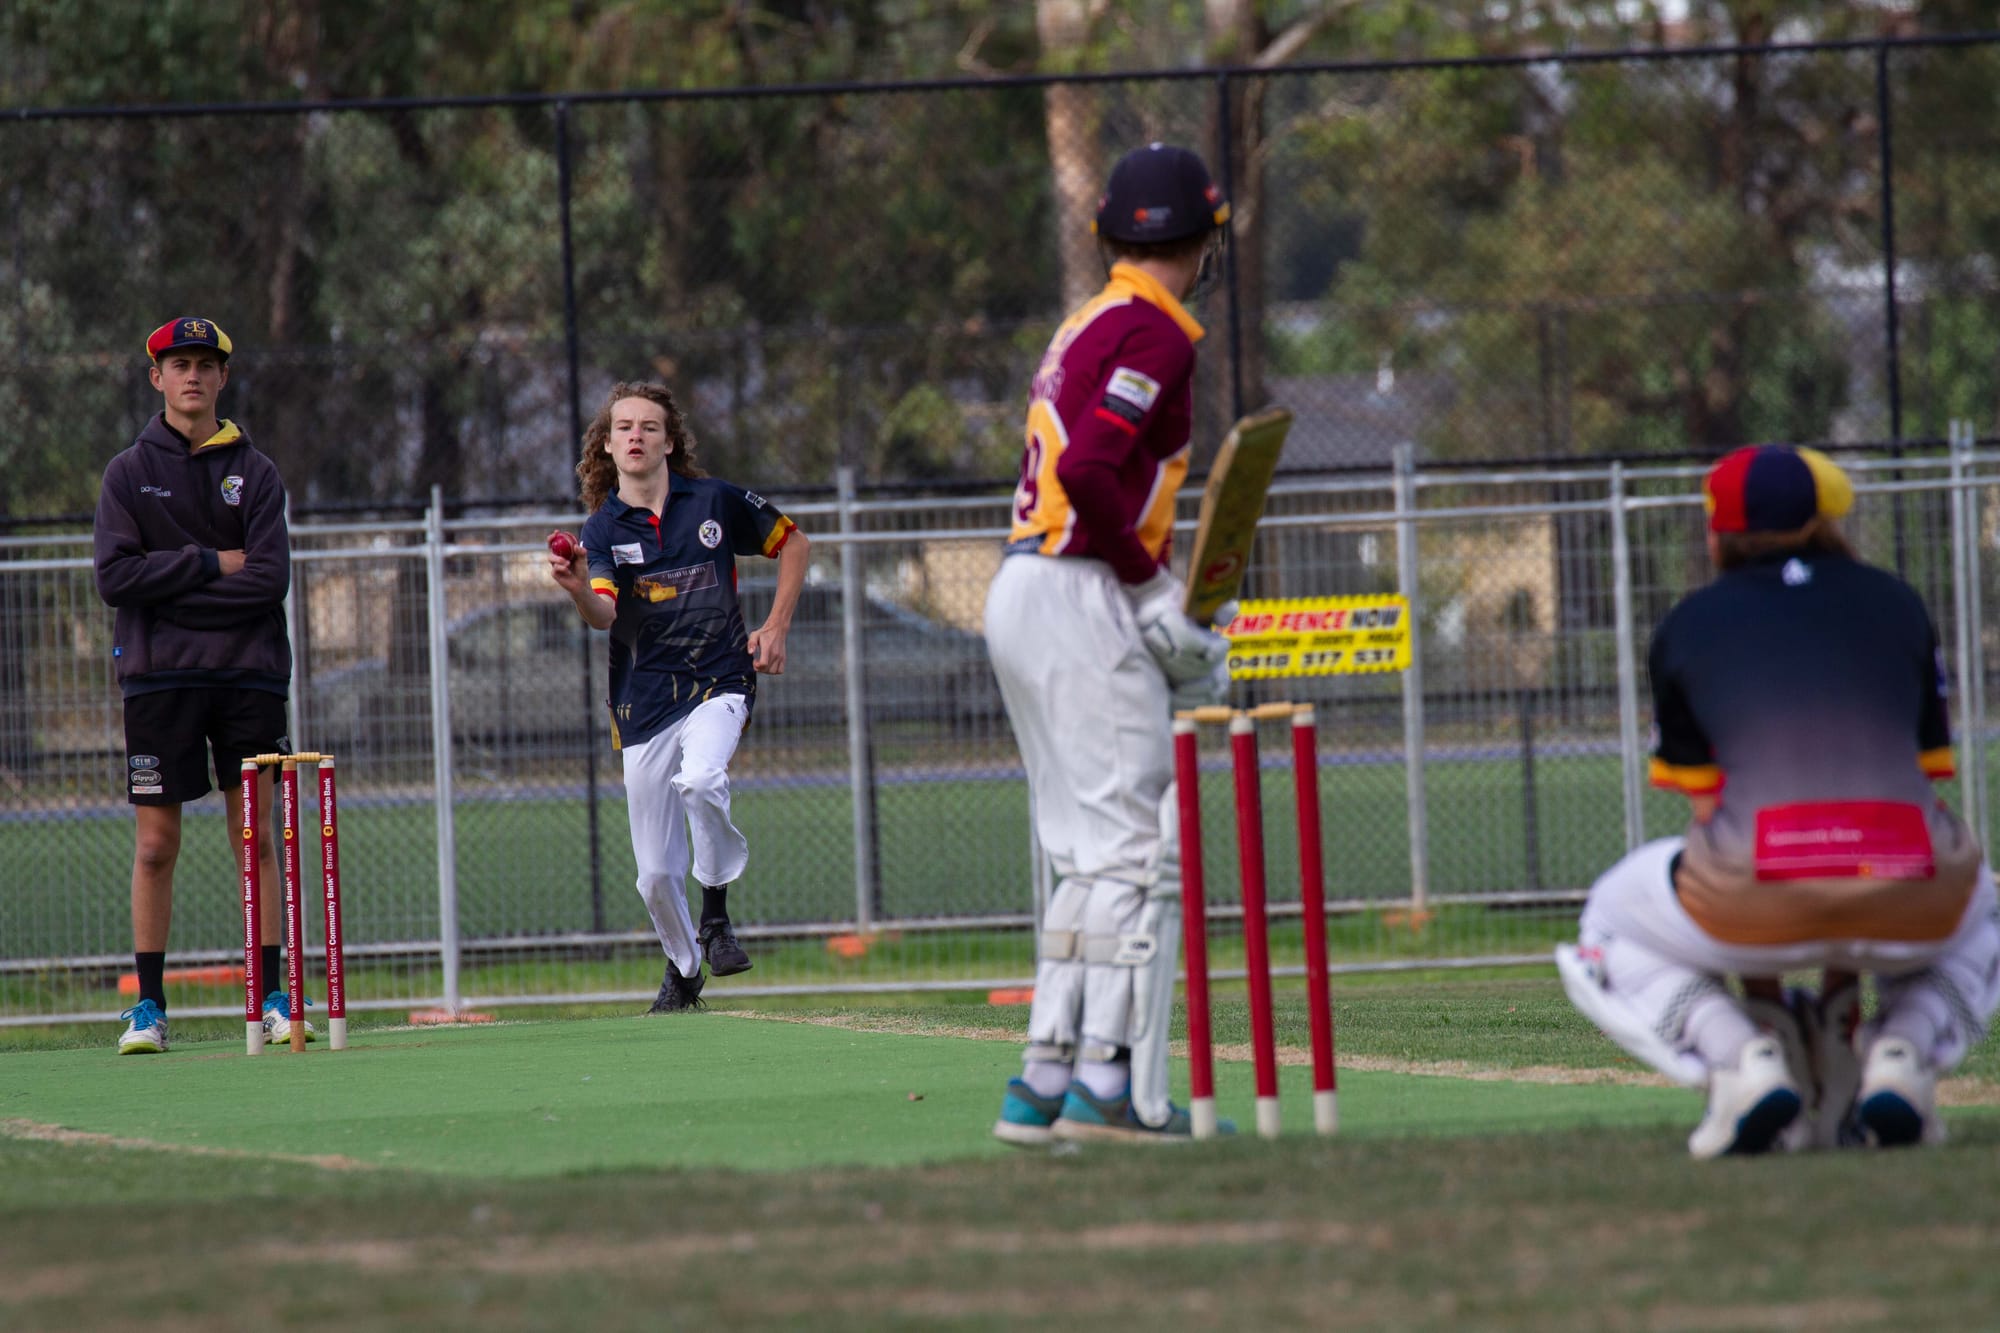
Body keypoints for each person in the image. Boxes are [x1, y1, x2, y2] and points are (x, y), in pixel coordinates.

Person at [1558, 444, 2000, 1156]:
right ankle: (1902, 1051)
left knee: (1605, 925)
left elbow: (1709, 809)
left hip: (1752, 901)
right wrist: (1840, 990)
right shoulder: (1898, 604)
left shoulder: (1689, 623)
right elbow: (1916, 779)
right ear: (1825, 520)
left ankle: (1743, 1055)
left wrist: (1765, 1000)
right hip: (1908, 888)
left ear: (1718, 534)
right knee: (1987, 902)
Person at [986, 143, 1234, 1145]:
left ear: (1107, 234)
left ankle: (1045, 1078)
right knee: (1134, 852)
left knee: (1085, 858)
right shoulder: (1156, 330)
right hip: (1078, 585)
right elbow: (1090, 469)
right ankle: (1109, 1087)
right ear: (1204, 237)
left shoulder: (1089, 319)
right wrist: (1151, 589)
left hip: (1026, 582)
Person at [549, 381, 808, 1013]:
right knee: (655, 876)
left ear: (669, 442)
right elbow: (604, 615)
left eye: (650, 426)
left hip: (721, 680)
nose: (636, 435)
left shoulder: (714, 500)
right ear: (607, 446)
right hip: (644, 702)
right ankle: (686, 968)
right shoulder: (602, 528)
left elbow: (794, 543)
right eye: (624, 427)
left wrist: (775, 627)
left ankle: (716, 917)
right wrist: (578, 588)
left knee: (702, 780)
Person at [93, 317, 300, 1054]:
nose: (193, 376)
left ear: (222, 378)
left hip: (248, 675)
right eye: (179, 364)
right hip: (160, 679)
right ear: (157, 378)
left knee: (257, 839)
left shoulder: (257, 471)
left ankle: (272, 997)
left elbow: (269, 579)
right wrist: (212, 563)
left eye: (205, 365)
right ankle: (148, 1007)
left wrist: (171, 587)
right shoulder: (127, 473)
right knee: (156, 844)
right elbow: (116, 578)